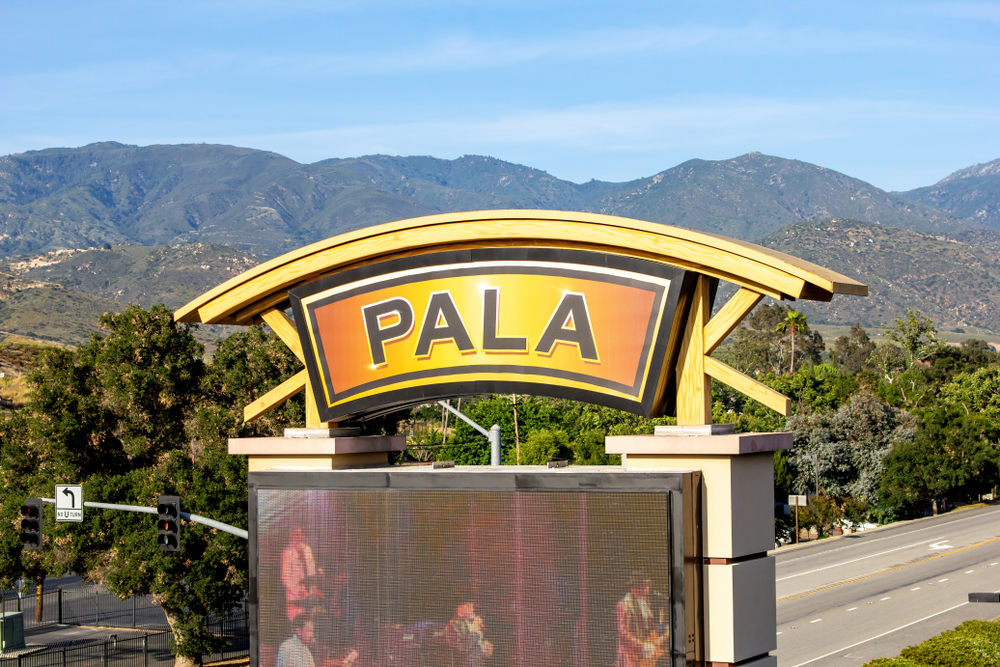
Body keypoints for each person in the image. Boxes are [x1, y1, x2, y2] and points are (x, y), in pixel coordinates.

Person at [615, 572, 668, 667]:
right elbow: (623, 633)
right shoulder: (623, 605)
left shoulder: (644, 603)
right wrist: (641, 646)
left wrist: (663, 633)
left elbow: (649, 627)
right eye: (646, 586)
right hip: (630, 654)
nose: (648, 589)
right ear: (637, 588)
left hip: (645, 654)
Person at [281, 525, 322, 623]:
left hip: (309, 594)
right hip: (295, 596)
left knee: (310, 622)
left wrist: (313, 588)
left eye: (300, 534)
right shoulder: (287, 552)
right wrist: (298, 591)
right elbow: (285, 578)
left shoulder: (307, 549)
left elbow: (312, 571)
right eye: (295, 534)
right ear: (291, 535)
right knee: (298, 622)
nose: (298, 536)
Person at [445, 601, 494, 667]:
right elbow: (463, 646)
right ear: (460, 608)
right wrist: (475, 630)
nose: (472, 609)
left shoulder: (471, 622)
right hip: (465, 661)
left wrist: (485, 645)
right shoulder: (454, 624)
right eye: (468, 606)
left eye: (472, 607)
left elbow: (479, 641)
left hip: (477, 660)